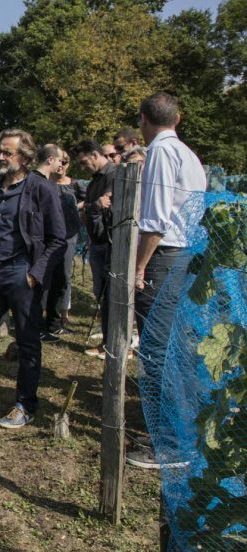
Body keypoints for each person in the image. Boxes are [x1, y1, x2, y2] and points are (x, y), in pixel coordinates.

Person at [129, 91, 207, 470]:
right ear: (178, 118)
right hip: (186, 258)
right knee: (177, 348)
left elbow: (155, 221)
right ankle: (180, 432)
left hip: (165, 258)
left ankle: (173, 445)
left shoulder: (160, 153)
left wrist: (139, 268)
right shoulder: (189, 155)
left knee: (157, 351)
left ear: (144, 119)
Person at [0, 129, 66, 428]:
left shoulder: (41, 189)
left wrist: (34, 274)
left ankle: (25, 404)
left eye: (7, 152)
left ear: (25, 157)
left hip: (22, 273)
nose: (0, 157)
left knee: (27, 341)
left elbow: (58, 239)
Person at [74, 140, 117, 358]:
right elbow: (92, 208)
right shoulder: (93, 183)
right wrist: (93, 207)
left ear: (94, 154)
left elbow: (106, 204)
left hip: (110, 242)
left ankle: (114, 344)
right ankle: (108, 342)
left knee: (111, 296)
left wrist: (93, 207)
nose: (83, 168)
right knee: (101, 294)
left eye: (84, 162)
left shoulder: (113, 175)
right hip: (96, 243)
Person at [33, 144, 81, 340]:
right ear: (50, 160)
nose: (62, 165)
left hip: (63, 241)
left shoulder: (72, 186)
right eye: (60, 160)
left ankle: (53, 323)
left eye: (65, 162)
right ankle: (37, 326)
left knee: (60, 282)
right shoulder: (38, 184)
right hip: (43, 243)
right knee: (42, 284)